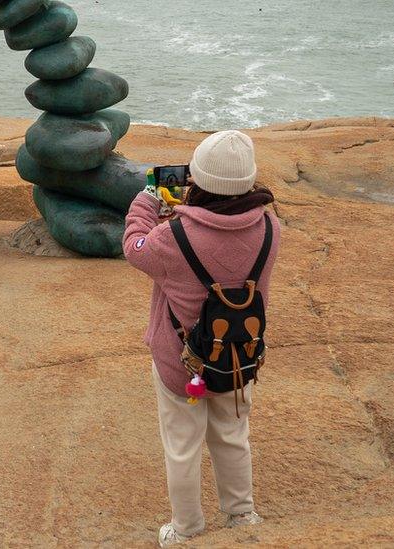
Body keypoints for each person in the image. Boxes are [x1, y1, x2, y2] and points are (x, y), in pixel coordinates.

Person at [123, 130, 280, 547]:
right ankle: (241, 513)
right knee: (232, 436)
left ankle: (187, 529)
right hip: (238, 359)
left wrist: (149, 201)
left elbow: (135, 246)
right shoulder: (269, 228)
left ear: (198, 180)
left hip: (183, 363)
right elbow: (223, 245)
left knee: (182, 446)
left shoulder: (173, 238)